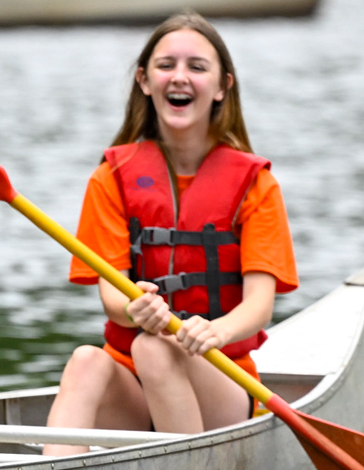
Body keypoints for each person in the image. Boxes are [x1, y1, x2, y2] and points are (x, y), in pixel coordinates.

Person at [41, 12, 298, 456]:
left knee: (157, 349)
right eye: (166, 65)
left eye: (197, 67)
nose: (180, 77)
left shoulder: (256, 184)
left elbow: (259, 305)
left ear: (222, 87)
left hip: (221, 377)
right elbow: (111, 298)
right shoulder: (112, 177)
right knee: (86, 360)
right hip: (133, 390)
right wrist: (135, 307)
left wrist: (215, 332)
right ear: (144, 80)